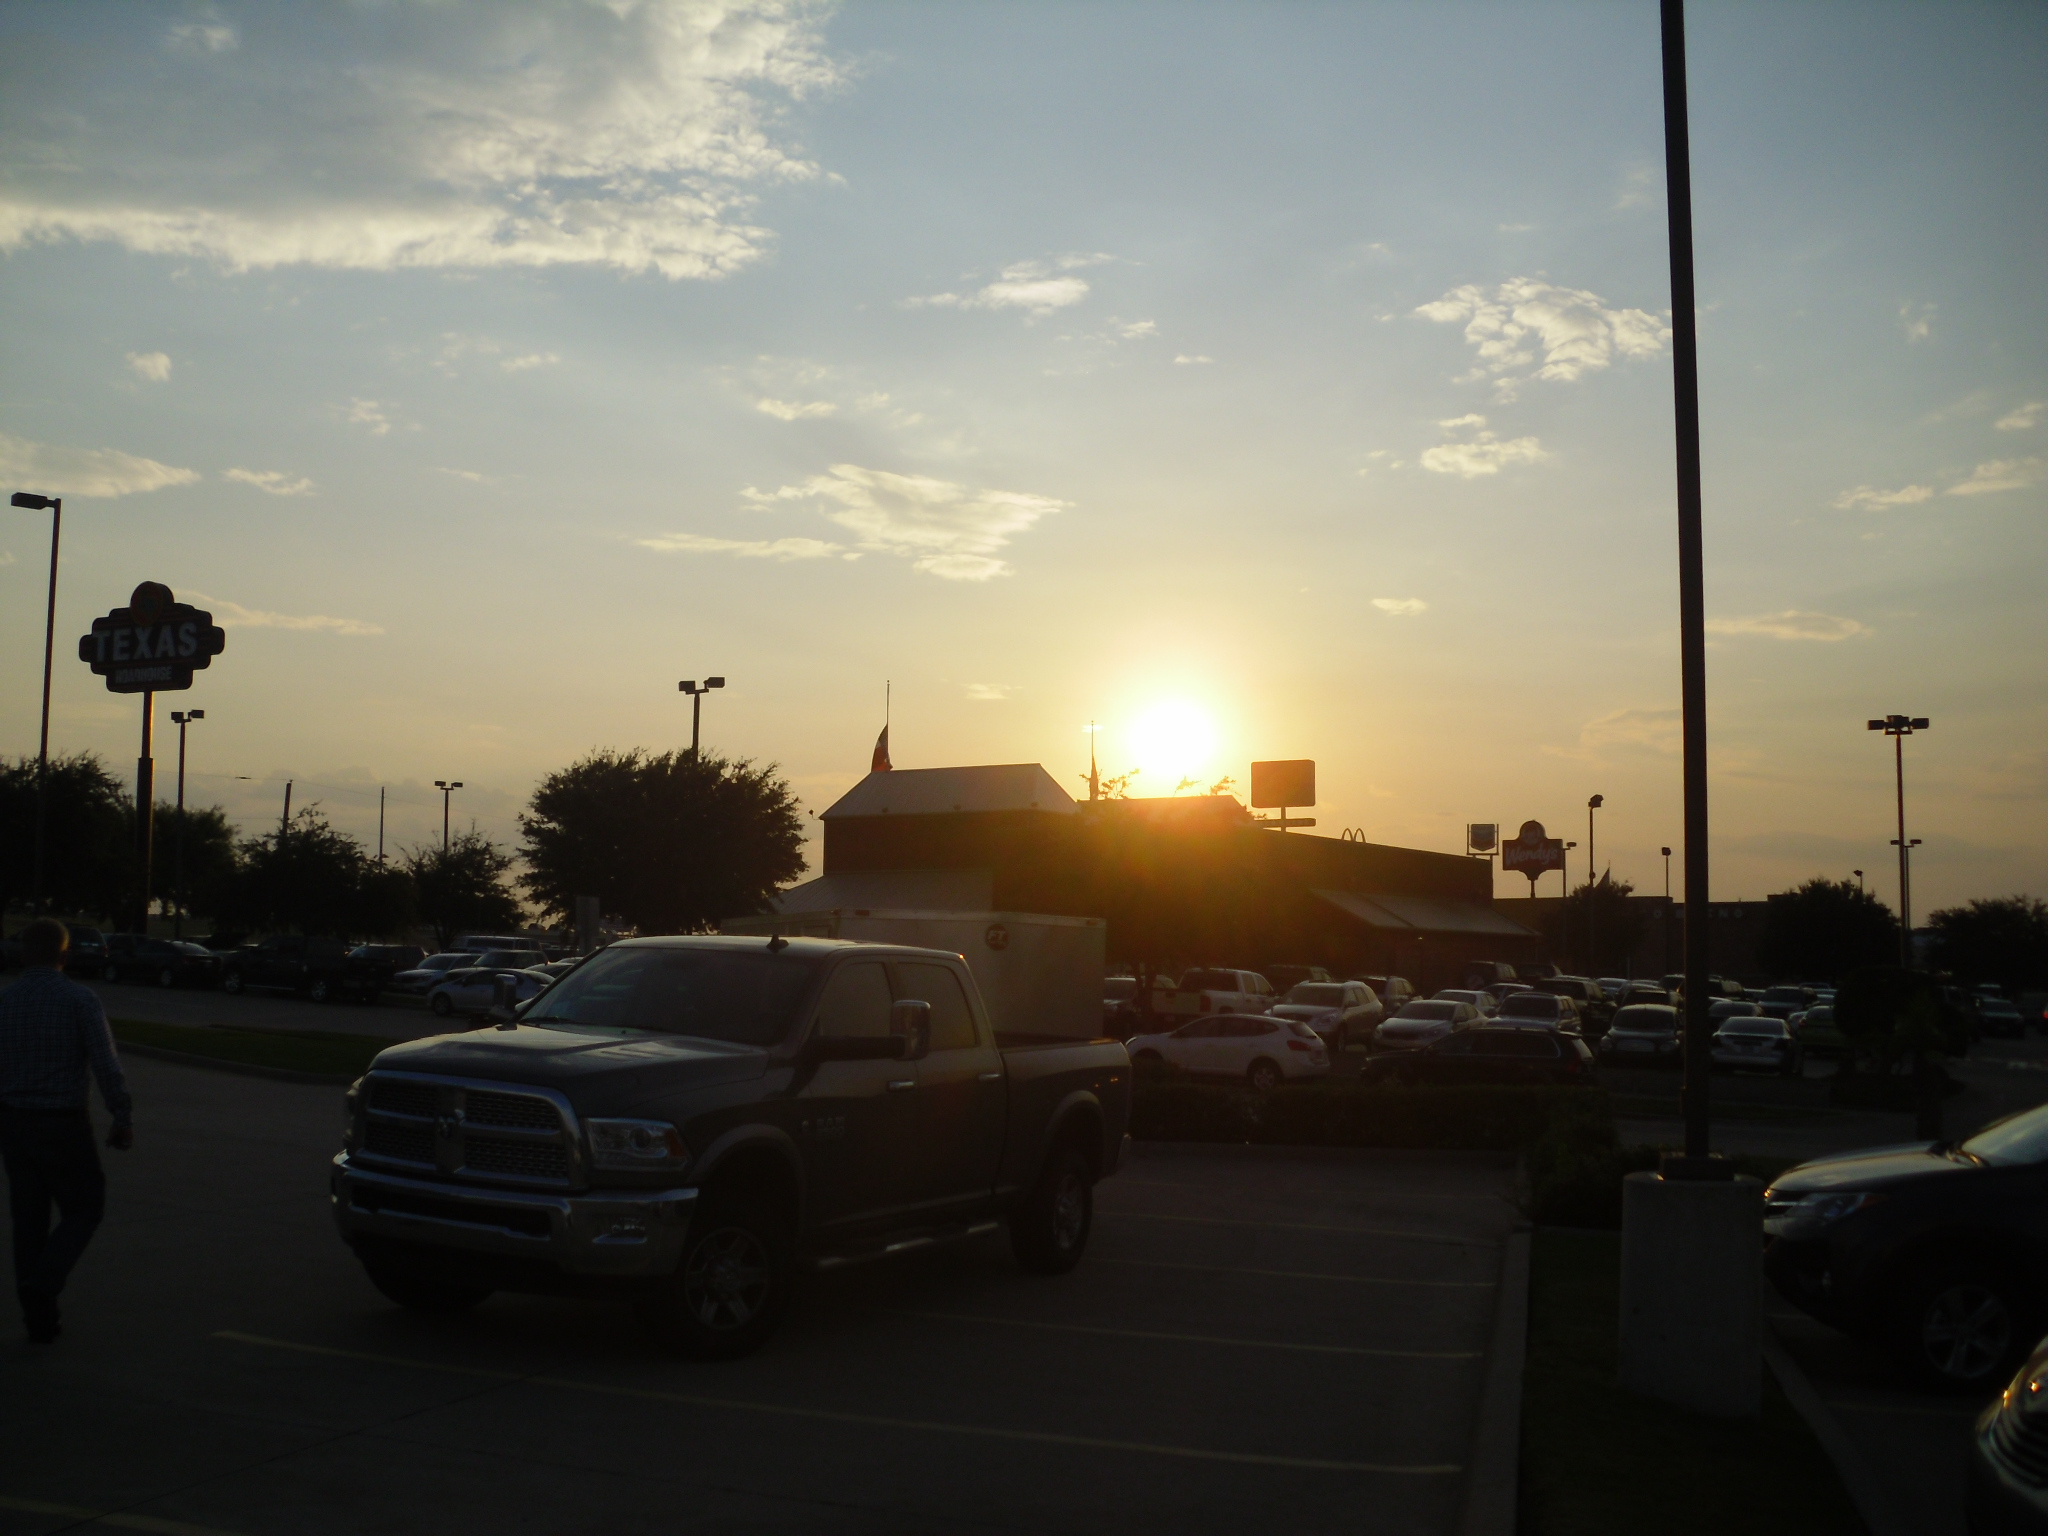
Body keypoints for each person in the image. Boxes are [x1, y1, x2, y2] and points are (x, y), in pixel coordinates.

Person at [0, 917, 132, 1342]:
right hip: (63, 1123)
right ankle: (45, 1282)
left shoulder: (6, 1001)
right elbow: (105, 1064)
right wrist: (121, 1116)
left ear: (23, 954)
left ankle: (38, 1320)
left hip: (15, 1123)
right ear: (65, 953)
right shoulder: (79, 1000)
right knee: (85, 1207)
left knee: (29, 1222)